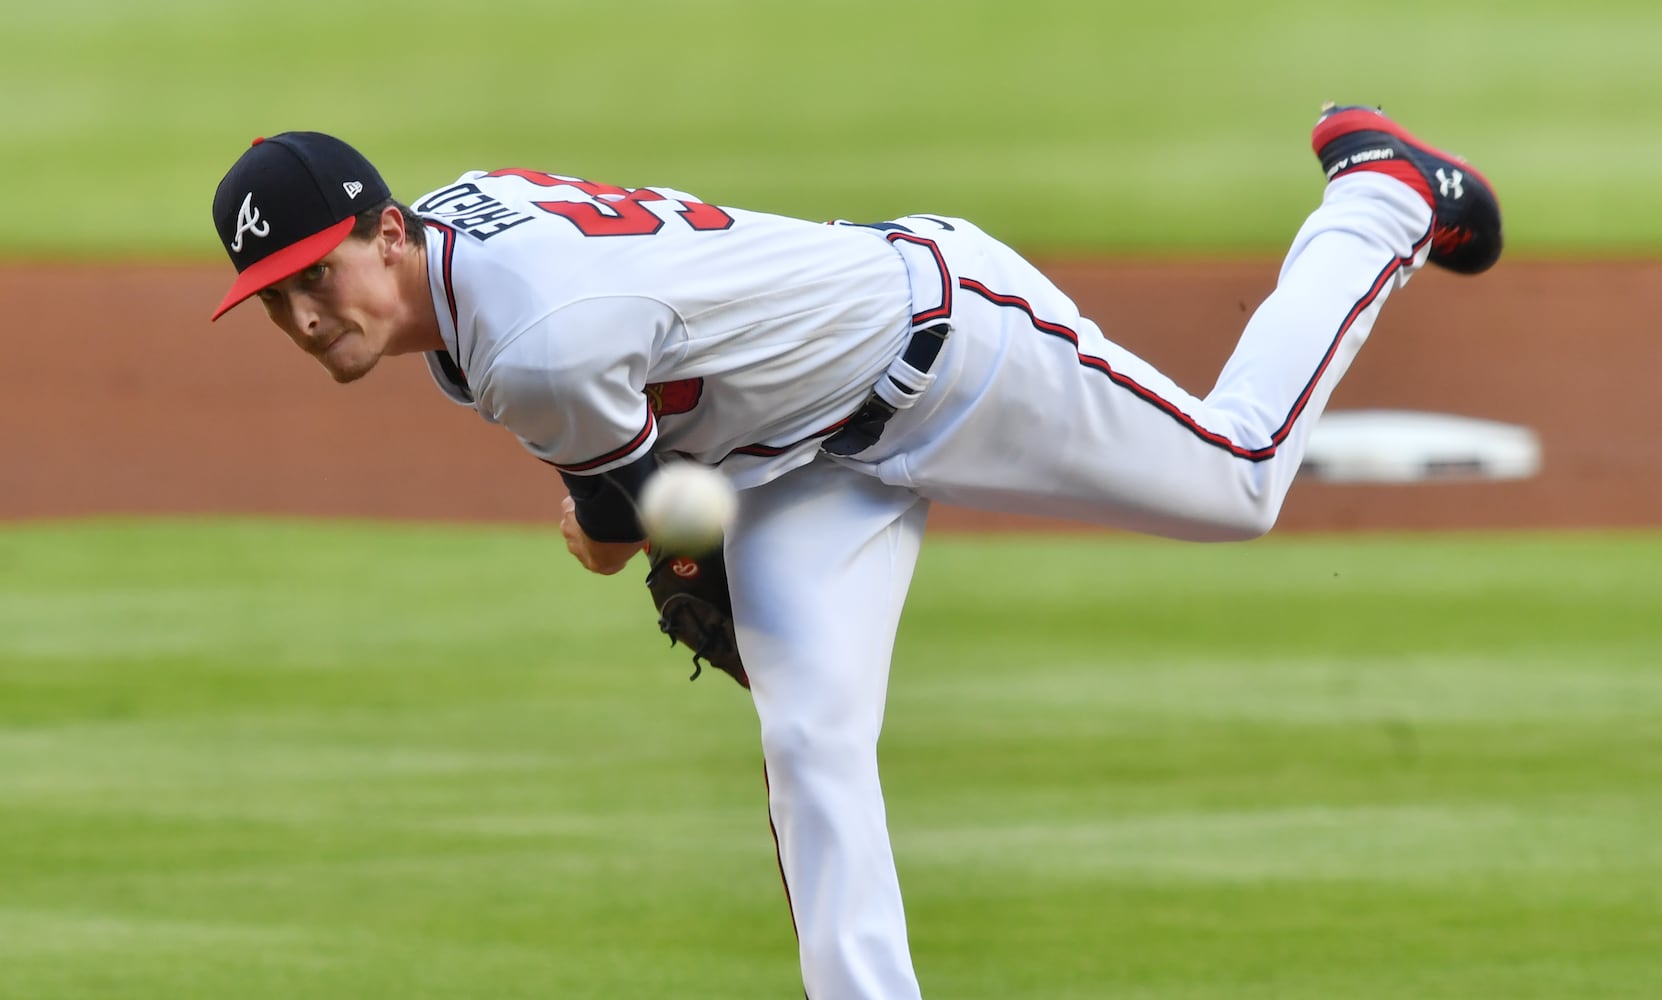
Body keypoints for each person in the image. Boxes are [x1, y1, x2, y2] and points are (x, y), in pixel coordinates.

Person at [208, 103, 1501, 999]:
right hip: (800, 459)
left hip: (952, 348)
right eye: (276, 299)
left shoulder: (536, 338)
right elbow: (661, 468)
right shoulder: (457, 235)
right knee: (810, 745)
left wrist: (617, 536)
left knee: (1236, 477)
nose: (306, 315)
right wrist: (664, 529)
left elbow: (623, 518)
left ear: (385, 232)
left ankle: (1378, 195)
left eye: (320, 274)